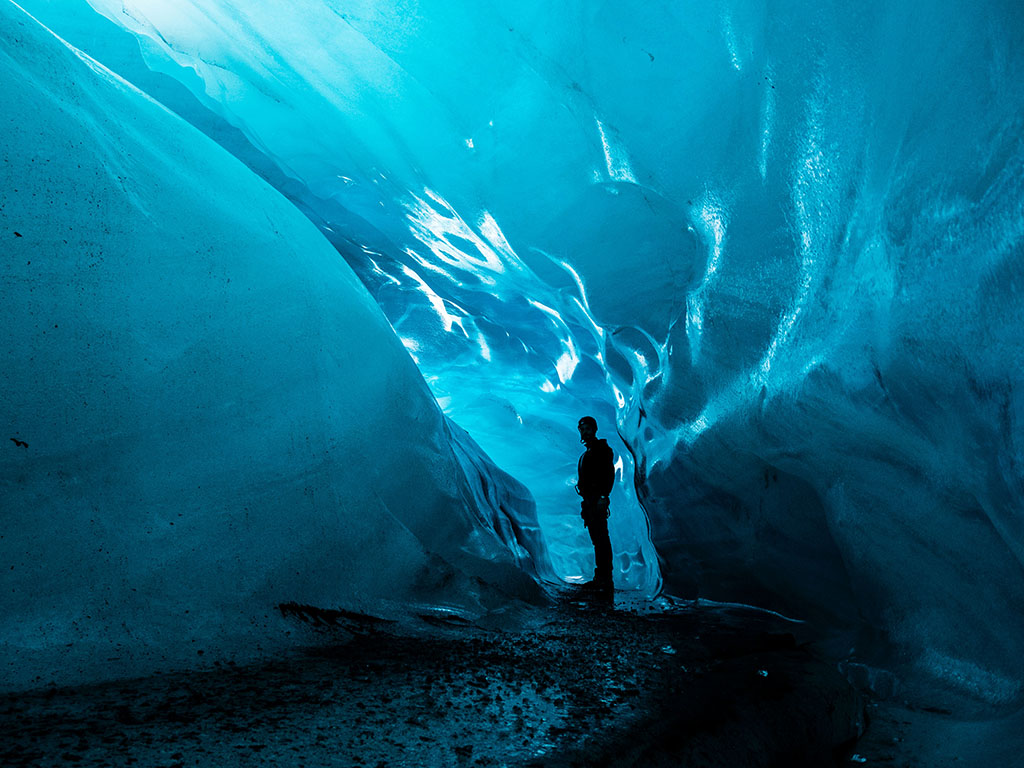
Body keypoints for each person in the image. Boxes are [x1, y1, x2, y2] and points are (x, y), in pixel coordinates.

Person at [575, 416, 615, 591]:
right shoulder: (587, 453)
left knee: (601, 539)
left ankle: (605, 578)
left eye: (588, 428)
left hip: (597, 500)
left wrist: (603, 497)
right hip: (590, 502)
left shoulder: (602, 450)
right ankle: (601, 576)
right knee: (597, 540)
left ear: (594, 429)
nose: (585, 432)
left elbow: (608, 474)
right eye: (582, 429)